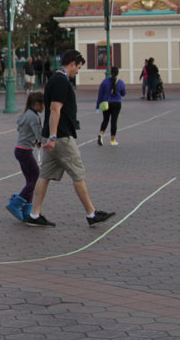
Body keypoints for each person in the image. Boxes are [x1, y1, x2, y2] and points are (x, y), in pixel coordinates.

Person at [24, 50, 114, 228]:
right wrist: (53, 136)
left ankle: (34, 215)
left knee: (45, 175)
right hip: (61, 137)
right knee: (78, 173)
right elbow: (55, 109)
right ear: (72, 63)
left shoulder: (55, 80)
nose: (78, 71)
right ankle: (91, 213)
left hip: (55, 136)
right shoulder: (60, 80)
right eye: (78, 67)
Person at [6, 91, 45, 223]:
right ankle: (16, 204)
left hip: (20, 149)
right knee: (35, 179)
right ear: (36, 104)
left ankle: (27, 210)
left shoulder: (26, 114)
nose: (44, 107)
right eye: (43, 104)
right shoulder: (33, 117)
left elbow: (22, 130)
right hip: (25, 151)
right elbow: (39, 134)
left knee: (30, 180)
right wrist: (46, 140)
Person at [96, 66, 126, 146]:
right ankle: (112, 140)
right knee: (114, 121)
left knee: (105, 120)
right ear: (117, 73)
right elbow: (123, 93)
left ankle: (101, 134)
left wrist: (97, 106)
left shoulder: (105, 82)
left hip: (106, 103)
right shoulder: (120, 82)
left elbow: (100, 94)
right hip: (117, 103)